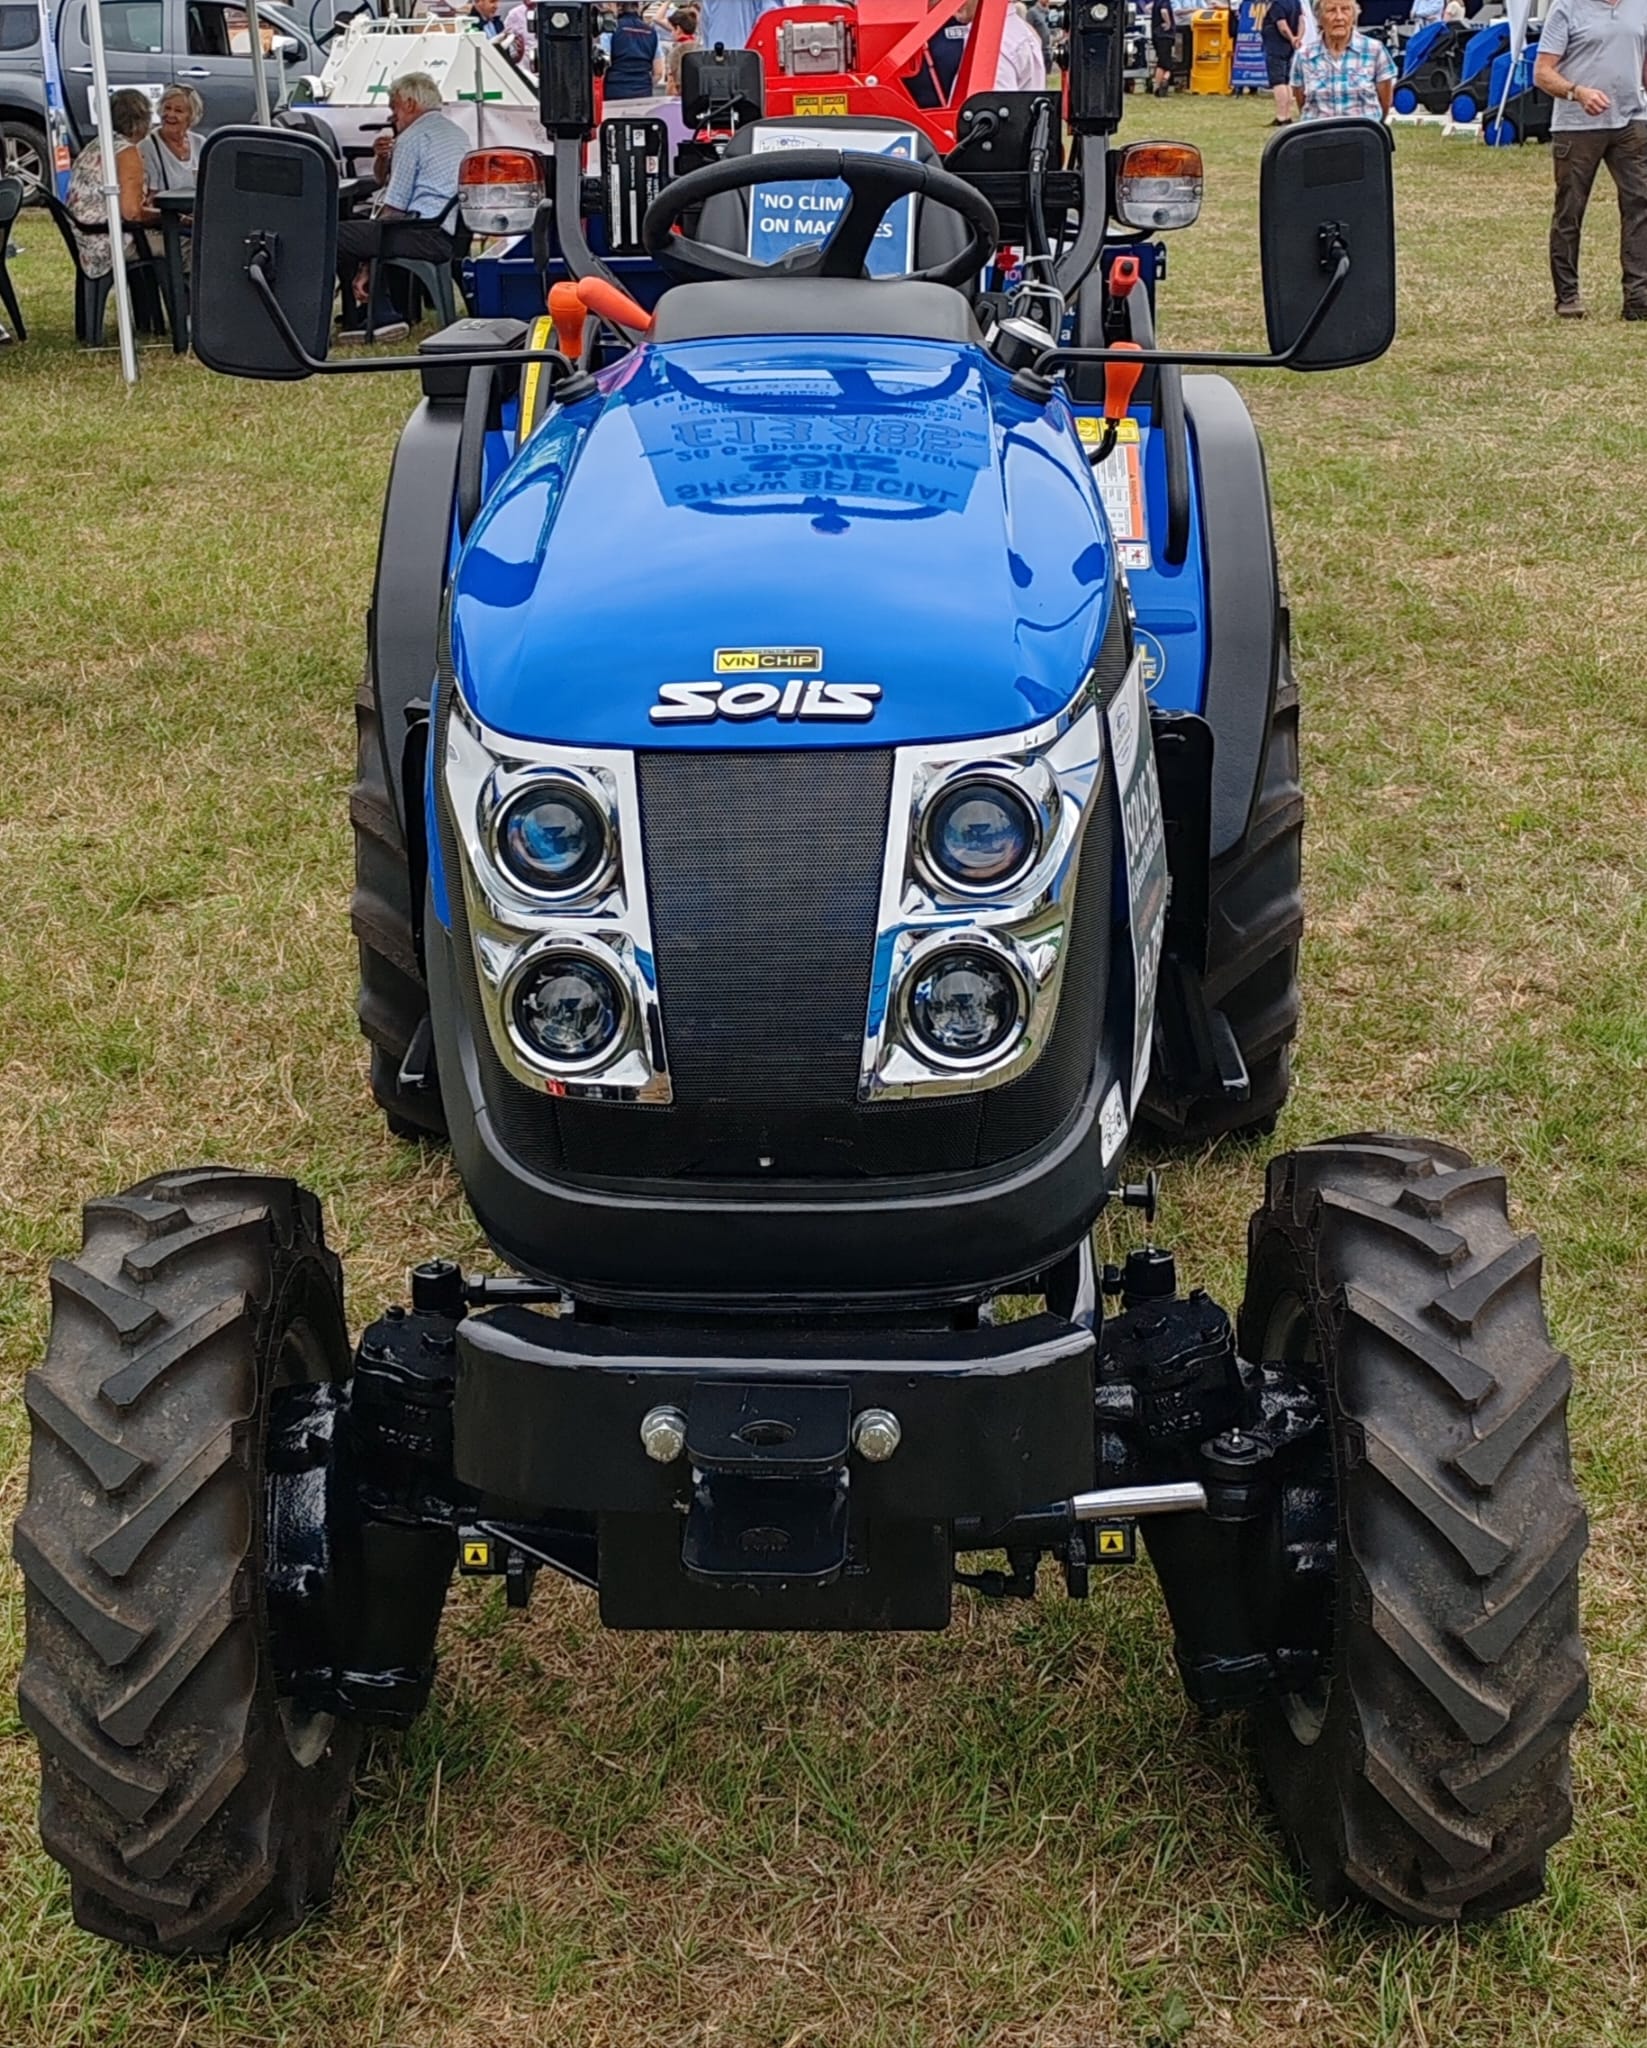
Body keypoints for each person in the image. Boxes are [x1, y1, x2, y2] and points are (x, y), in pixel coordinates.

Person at [1533, 0, 1647, 319]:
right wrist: (1576, 92)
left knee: (1640, 204)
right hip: (1577, 126)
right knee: (1570, 209)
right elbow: (1542, 73)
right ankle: (1567, 295)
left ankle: (1638, 297)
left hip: (1631, 120)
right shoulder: (1566, 7)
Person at [335, 72, 467, 344]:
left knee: (337, 235)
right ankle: (375, 311)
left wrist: (366, 267)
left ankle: (379, 314)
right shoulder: (457, 134)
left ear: (408, 104)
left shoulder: (412, 138)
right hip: (449, 229)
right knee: (365, 232)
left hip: (420, 231)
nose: (392, 115)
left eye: (393, 106)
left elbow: (393, 207)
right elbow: (388, 182)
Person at [65, 88, 159, 280]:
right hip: (111, 243)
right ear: (143, 119)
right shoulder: (126, 153)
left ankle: (149, 305)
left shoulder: (98, 145)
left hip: (87, 241)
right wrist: (171, 217)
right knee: (190, 247)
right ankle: (188, 306)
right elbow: (132, 213)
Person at [1291, 0, 1393, 118]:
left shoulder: (1375, 50)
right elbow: (1301, 102)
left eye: (1345, 9)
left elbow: (1385, 103)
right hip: (1319, 133)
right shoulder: (1304, 55)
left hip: (1362, 133)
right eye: (1331, 10)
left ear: (1354, 16)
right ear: (1319, 18)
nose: (1339, 17)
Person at [140, 85, 204, 194]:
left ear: (191, 116)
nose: (170, 114)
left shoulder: (201, 143)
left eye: (178, 111)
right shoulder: (147, 145)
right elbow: (150, 196)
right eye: (167, 108)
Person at [1260, 0, 1306, 121]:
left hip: (1276, 46)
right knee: (1287, 81)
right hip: (1289, 48)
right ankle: (1287, 114)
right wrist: (1298, 39)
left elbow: (1282, 26)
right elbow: (1302, 21)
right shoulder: (1296, 3)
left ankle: (1281, 116)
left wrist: (1291, 38)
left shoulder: (1277, 4)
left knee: (1278, 81)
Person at [605, 0, 661, 94]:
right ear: (638, 7)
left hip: (615, 90)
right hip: (643, 90)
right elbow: (659, 72)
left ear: (618, 6)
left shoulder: (610, 29)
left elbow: (604, 64)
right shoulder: (652, 32)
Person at [666, 6, 700, 88]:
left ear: (678, 29)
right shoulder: (700, 48)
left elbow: (672, 81)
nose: (671, 33)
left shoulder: (676, 51)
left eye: (671, 30)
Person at [1151, 0, 1177, 94]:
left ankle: (1157, 86)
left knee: (1161, 62)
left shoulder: (1156, 2)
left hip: (1156, 34)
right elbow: (1164, 11)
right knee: (1166, 64)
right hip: (1165, 35)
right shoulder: (1164, 1)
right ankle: (1163, 82)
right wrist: (1168, 23)